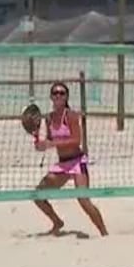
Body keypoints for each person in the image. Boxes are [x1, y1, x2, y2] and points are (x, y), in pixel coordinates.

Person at [31, 82, 109, 237]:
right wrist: (42, 145)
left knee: (83, 200)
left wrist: (52, 143)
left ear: (66, 96)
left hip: (77, 162)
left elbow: (76, 140)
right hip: (63, 164)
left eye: (62, 93)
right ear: (51, 97)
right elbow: (49, 140)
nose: (58, 95)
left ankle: (104, 232)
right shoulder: (49, 118)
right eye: (55, 93)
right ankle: (57, 222)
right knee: (38, 195)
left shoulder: (71, 116)